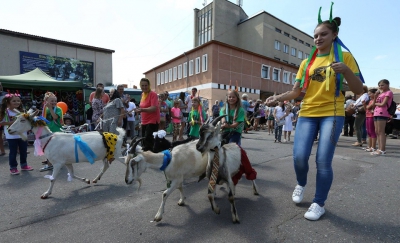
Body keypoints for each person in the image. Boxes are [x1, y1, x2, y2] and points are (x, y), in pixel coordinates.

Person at [266, 9, 363, 220]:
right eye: (316, 35)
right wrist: (277, 98)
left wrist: (346, 70)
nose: (318, 38)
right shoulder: (306, 62)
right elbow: (295, 92)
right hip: (308, 112)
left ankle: (319, 203)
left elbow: (359, 90)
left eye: (323, 34)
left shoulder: (344, 57)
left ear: (334, 35)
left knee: (323, 161)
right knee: (299, 157)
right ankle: (301, 183)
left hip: (333, 113)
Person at [0, 92, 33, 175]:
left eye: (18, 101)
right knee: (13, 152)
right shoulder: (5, 112)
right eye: (14, 101)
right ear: (8, 102)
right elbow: (1, 122)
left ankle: (24, 165)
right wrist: (12, 123)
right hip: (11, 135)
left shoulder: (22, 111)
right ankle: (13, 167)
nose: (17, 102)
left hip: (22, 134)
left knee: (23, 151)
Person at [40, 92, 64, 172]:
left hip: (56, 132)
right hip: (48, 132)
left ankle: (52, 164)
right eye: (51, 101)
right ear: (46, 101)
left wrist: (50, 108)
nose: (53, 102)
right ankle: (49, 161)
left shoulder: (58, 109)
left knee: (55, 149)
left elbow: (55, 117)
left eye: (55, 101)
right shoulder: (45, 109)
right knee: (48, 148)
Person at [135, 78, 160, 151]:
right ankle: (146, 157)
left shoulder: (153, 94)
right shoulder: (142, 94)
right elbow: (142, 106)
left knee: (148, 141)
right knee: (143, 140)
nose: (144, 87)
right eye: (142, 85)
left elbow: (154, 108)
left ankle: (150, 157)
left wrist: (142, 110)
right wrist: (138, 109)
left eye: (146, 85)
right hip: (144, 121)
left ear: (149, 85)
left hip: (152, 121)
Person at [371, 79, 393, 155]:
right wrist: (375, 97)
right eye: (379, 85)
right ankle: (379, 148)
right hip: (376, 113)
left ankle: (382, 149)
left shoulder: (388, 92)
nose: (380, 87)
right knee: (377, 131)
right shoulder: (380, 94)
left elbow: (383, 104)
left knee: (381, 131)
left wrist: (376, 103)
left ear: (387, 85)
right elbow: (373, 104)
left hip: (382, 113)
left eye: (382, 85)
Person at [0, 82, 7, 156]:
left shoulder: (5, 94)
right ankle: (2, 151)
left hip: (6, 116)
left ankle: (18, 150)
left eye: (0, 85)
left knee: (14, 132)